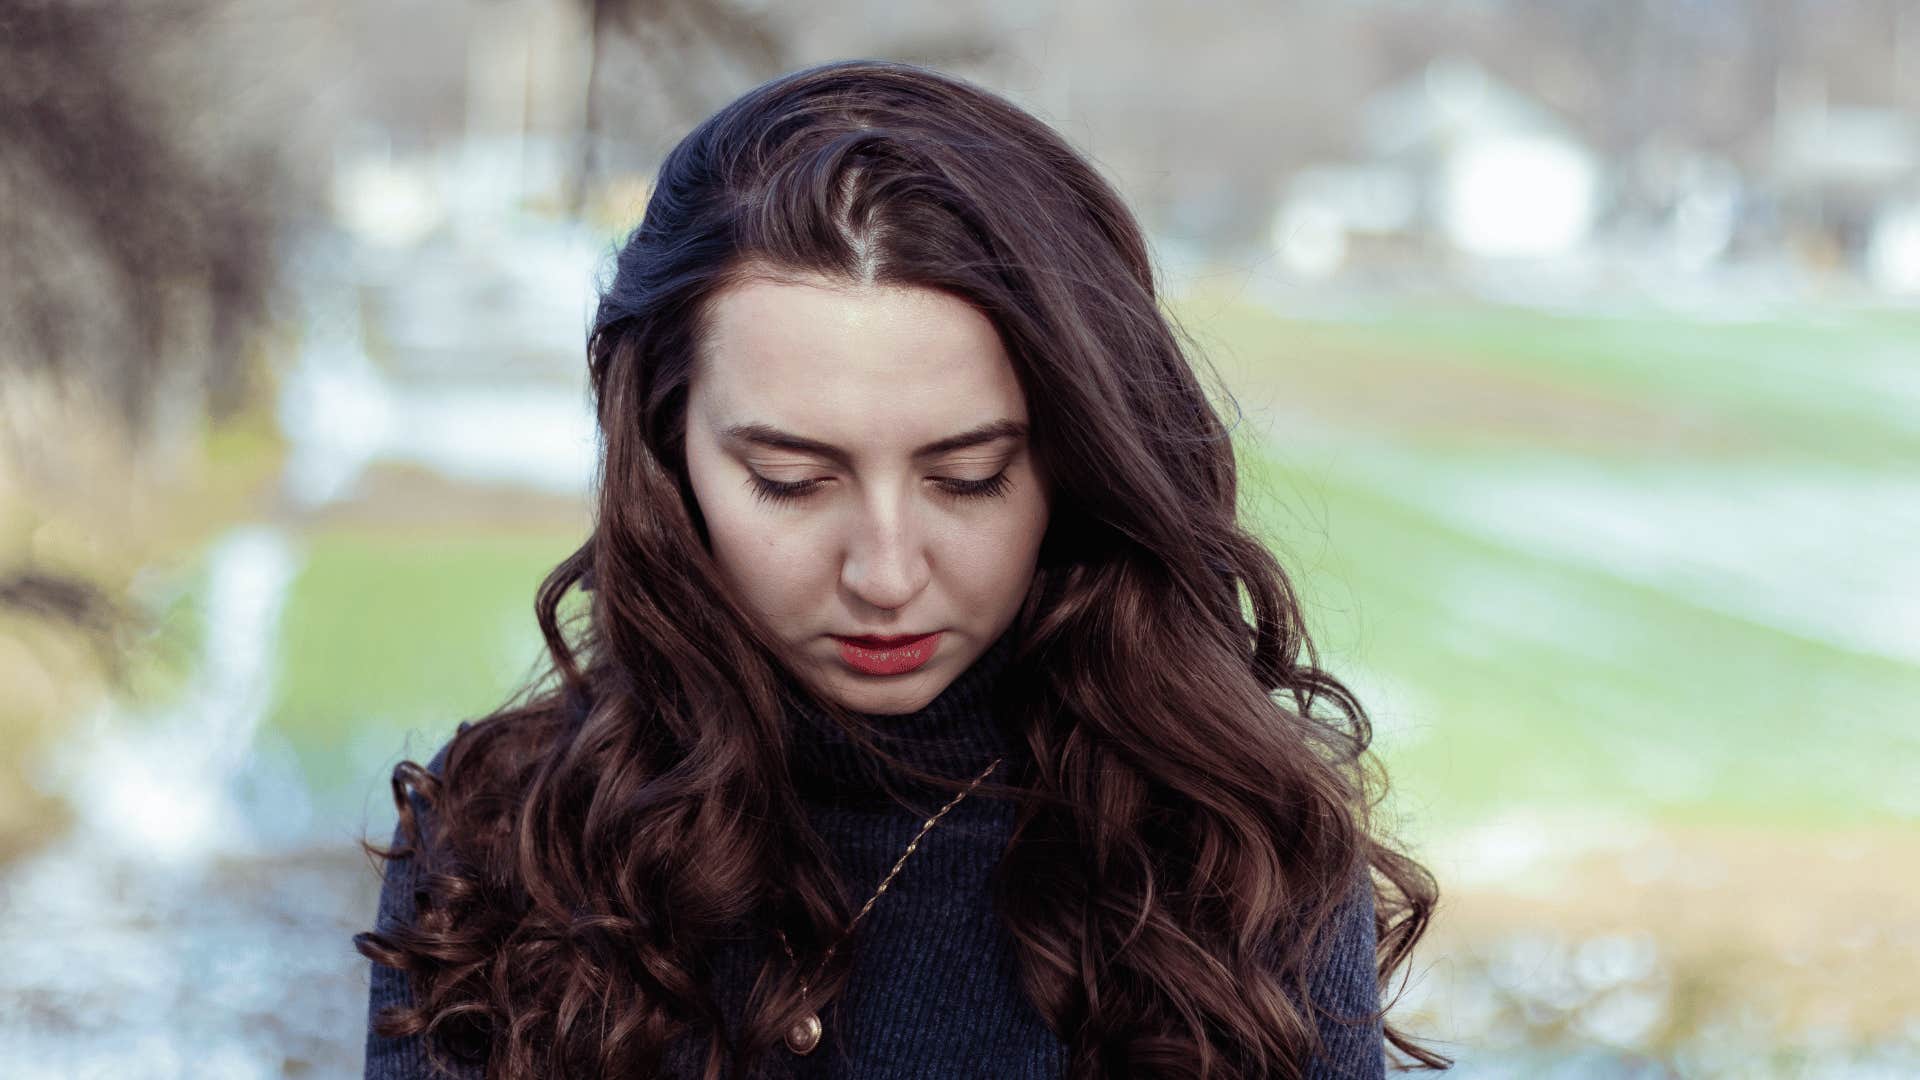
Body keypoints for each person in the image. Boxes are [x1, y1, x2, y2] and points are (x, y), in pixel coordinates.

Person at [355, 59, 1447, 1080]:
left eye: (969, 477)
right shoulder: (497, 850)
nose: (884, 575)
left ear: (1076, 459)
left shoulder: (1236, 861)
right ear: (665, 447)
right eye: (790, 478)